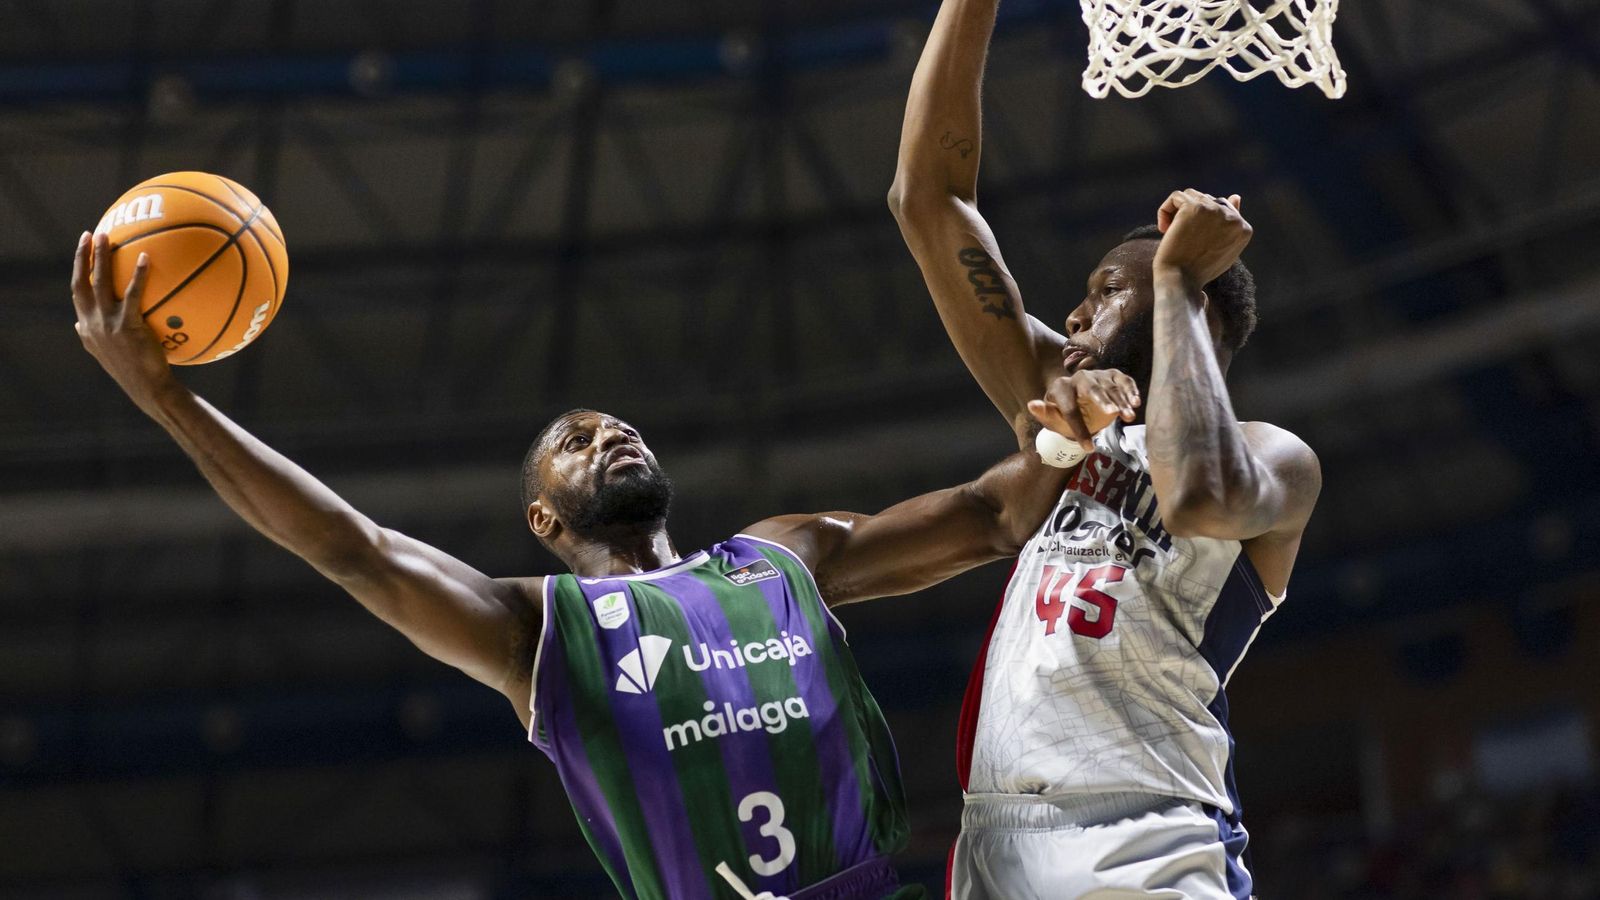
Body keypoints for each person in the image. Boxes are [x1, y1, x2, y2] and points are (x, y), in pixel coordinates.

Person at [70, 230, 1104, 900]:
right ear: (543, 519)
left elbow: (986, 515)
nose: (611, 434)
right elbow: (352, 549)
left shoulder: (781, 556)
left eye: (621, 428)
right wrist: (166, 397)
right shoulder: (537, 632)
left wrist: (1070, 434)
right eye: (577, 439)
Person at [888, 1, 1323, 897]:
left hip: (1145, 833)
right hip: (993, 838)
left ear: (1187, 306)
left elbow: (1198, 494)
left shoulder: (1273, 458)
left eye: (1105, 291)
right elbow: (931, 201)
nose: (1076, 313)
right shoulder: (1067, 408)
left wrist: (1170, 272)